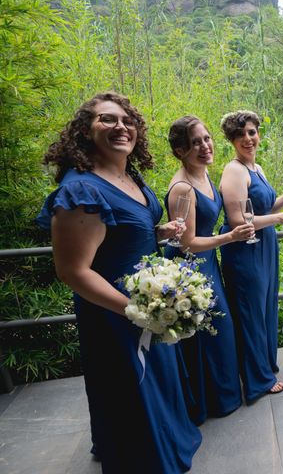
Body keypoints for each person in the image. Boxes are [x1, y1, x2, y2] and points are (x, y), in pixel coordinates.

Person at [36, 92, 202, 473]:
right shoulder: (81, 190)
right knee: (130, 385)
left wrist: (160, 232)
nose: (120, 127)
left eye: (127, 121)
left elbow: (125, 234)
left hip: (153, 301)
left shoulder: (129, 176)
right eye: (106, 120)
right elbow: (73, 271)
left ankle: (162, 440)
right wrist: (134, 311)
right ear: (85, 131)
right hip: (115, 310)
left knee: (156, 380)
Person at [164, 116, 255, 424]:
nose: (205, 146)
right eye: (195, 143)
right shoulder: (183, 189)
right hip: (190, 269)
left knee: (220, 334)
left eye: (206, 138)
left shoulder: (205, 177)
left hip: (209, 265)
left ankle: (223, 397)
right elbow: (186, 243)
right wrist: (230, 236)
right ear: (180, 150)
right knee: (206, 336)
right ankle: (205, 403)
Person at [218, 110, 283, 404]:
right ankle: (257, 381)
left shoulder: (257, 169)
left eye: (252, 132)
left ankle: (265, 366)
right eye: (240, 134)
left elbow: (267, 208)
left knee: (265, 306)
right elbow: (237, 221)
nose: (248, 138)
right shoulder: (234, 171)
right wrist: (277, 219)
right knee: (250, 311)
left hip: (265, 244)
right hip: (245, 248)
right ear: (232, 140)